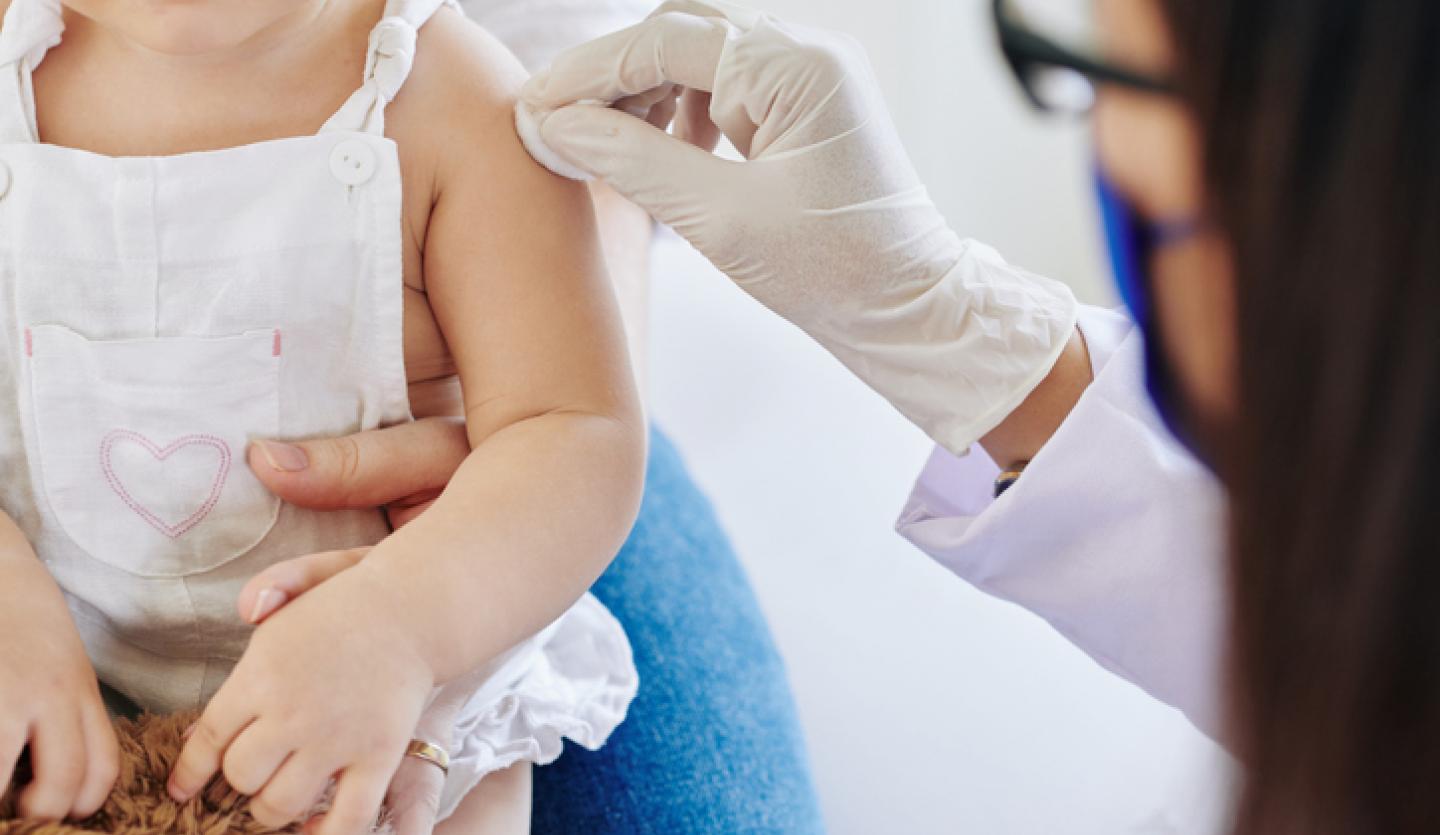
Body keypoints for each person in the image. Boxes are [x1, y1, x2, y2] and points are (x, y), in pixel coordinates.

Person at [260, 0, 1440, 830]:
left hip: (489, 431)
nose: (1103, 135)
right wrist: (960, 333)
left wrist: (508, 493)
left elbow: (554, 133)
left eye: (1117, 69)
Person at [0, 0, 650, 833]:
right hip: (48, 670)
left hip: (401, 690)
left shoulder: (455, 102)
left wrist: (405, 627)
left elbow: (574, 427)